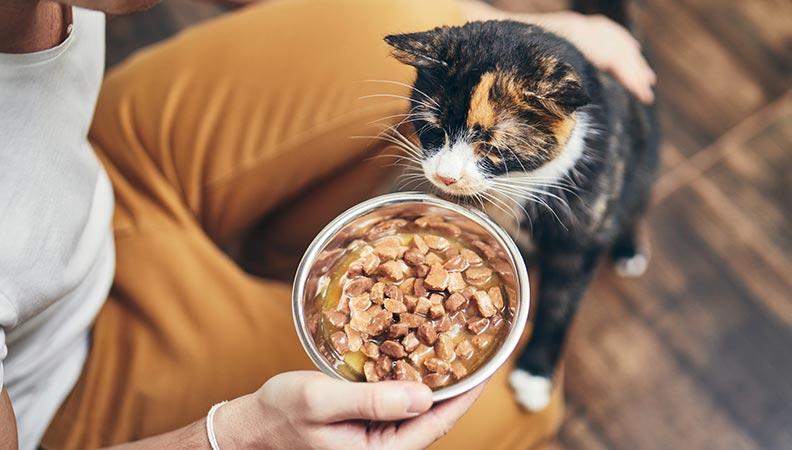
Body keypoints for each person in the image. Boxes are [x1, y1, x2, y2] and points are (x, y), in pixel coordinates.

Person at [0, 0, 655, 448]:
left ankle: (268, 258)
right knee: (512, 406)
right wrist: (238, 437)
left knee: (415, 11)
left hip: (92, 166)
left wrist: (522, 41)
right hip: (62, 390)